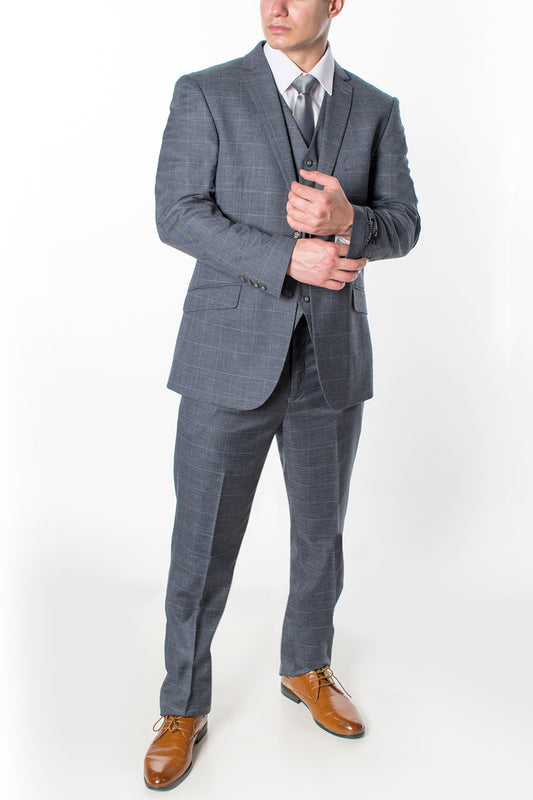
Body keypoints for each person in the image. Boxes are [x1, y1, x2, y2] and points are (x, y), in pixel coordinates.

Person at [144, 0, 420, 790]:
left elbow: (404, 223)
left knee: (320, 535)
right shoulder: (206, 91)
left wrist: (350, 219)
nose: (275, 6)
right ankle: (181, 703)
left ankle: (306, 665)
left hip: (331, 360)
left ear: (335, 3)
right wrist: (287, 256)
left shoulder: (375, 108)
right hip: (226, 356)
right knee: (201, 542)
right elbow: (176, 214)